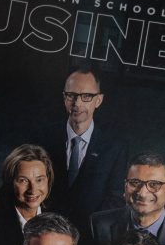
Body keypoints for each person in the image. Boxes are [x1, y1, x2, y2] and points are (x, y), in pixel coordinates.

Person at [42, 66, 128, 231]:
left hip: (89, 235)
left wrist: (89, 230)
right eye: (71, 95)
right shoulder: (44, 138)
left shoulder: (115, 147)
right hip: (46, 230)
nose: (77, 103)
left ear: (99, 100)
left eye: (86, 96)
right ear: (64, 98)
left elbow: (115, 198)